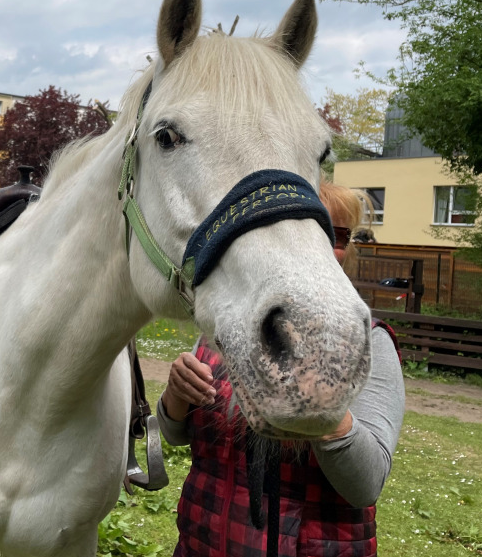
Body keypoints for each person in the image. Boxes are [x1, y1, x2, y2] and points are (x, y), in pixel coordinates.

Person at [159, 181, 404, 557]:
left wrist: (322, 407)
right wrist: (177, 394)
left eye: (334, 234)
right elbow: (176, 435)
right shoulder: (227, 327)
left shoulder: (371, 345)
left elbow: (365, 484)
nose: (319, 244)